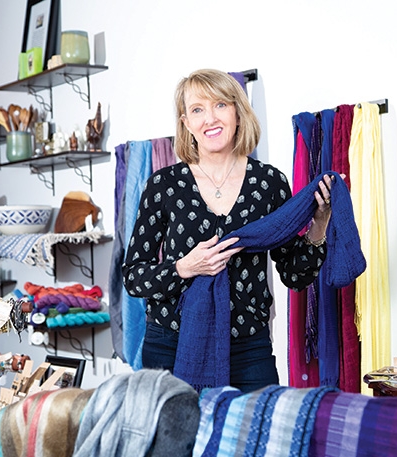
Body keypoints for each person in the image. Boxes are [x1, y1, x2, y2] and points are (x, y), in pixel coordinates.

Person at [122, 68, 335, 393]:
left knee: (254, 438)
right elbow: (134, 277)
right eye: (197, 110)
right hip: (170, 344)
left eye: (220, 105)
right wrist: (184, 267)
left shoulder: (269, 184)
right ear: (186, 124)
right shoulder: (164, 186)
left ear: (238, 112)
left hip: (248, 348)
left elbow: (295, 274)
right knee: (177, 442)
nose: (210, 118)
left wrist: (319, 223)